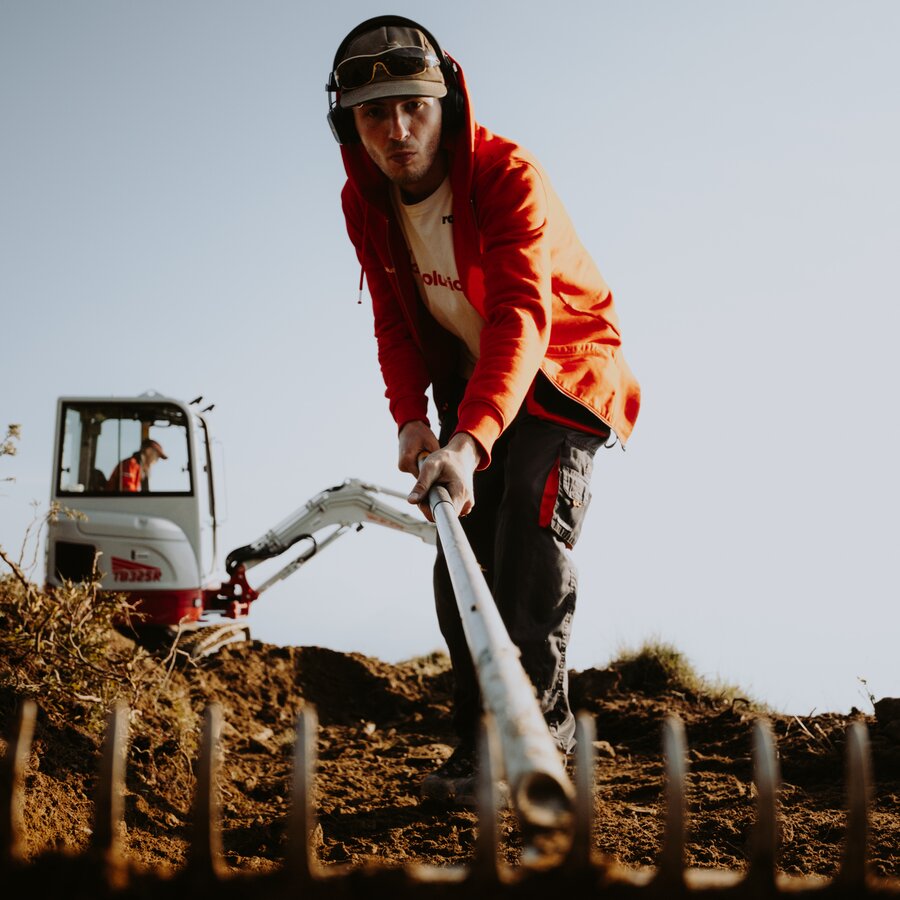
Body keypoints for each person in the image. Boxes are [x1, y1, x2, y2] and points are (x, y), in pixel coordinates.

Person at [327, 16, 640, 803]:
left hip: (561, 371)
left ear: (446, 103)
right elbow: (394, 318)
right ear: (350, 126)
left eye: (413, 107)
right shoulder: (363, 202)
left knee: (528, 541)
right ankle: (475, 748)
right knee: (458, 557)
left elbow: (521, 319)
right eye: (374, 114)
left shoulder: (506, 174)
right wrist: (410, 419)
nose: (397, 131)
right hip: (470, 385)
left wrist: (468, 443)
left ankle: (536, 742)